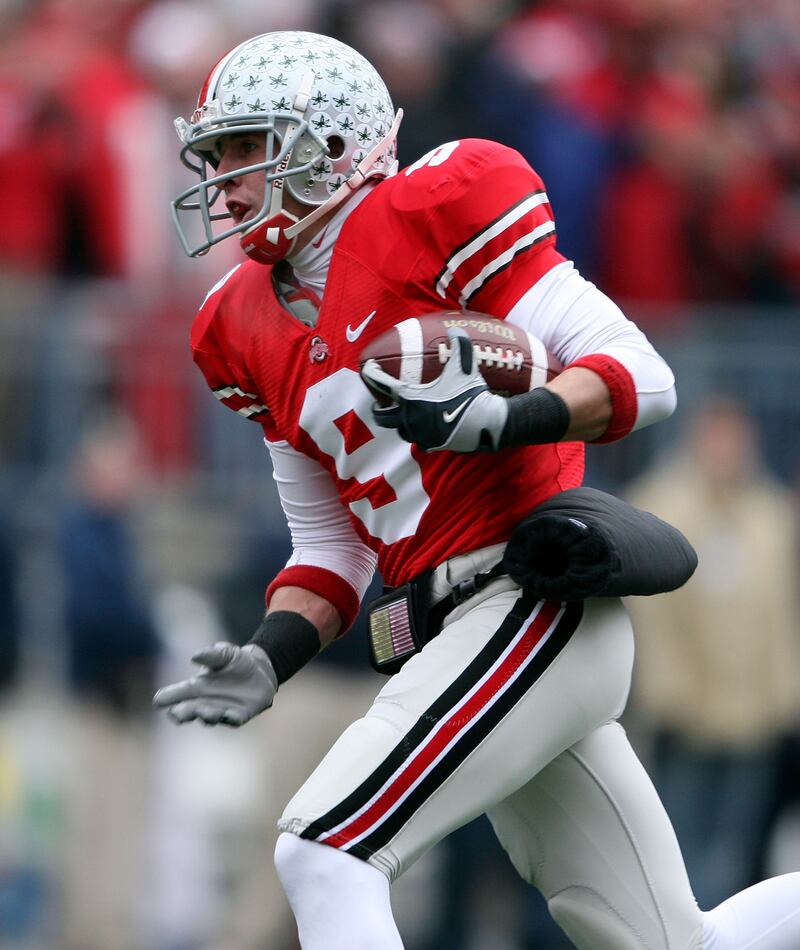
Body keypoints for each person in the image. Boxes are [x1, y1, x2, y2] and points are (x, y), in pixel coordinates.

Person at [154, 30, 800, 949]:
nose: (222, 180)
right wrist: (271, 654)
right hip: (449, 628)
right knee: (677, 944)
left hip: (533, 597)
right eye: (213, 153)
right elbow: (329, 547)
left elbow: (640, 374)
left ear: (332, 146)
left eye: (243, 148)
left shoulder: (436, 208)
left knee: (325, 851)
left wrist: (503, 417)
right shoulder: (238, 325)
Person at [626, 396, 800, 911]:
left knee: (734, 849)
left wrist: (786, 692)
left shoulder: (770, 514)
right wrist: (668, 691)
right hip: (688, 715)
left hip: (754, 716)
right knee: (678, 847)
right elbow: (651, 617)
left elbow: (780, 613)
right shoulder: (662, 507)